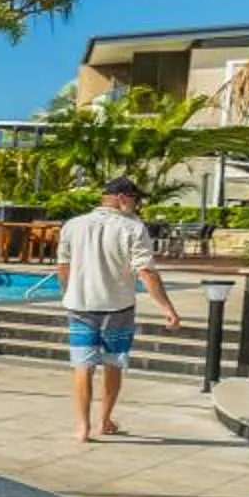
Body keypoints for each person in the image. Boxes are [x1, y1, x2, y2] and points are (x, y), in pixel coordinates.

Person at [53, 177, 183, 442]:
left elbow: (63, 267)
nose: (137, 205)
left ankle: (82, 428)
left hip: (80, 306)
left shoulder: (73, 225)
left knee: (82, 366)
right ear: (124, 198)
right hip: (118, 307)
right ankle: (104, 420)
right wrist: (166, 307)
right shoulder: (133, 228)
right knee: (113, 365)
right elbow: (145, 271)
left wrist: (68, 292)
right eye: (136, 200)